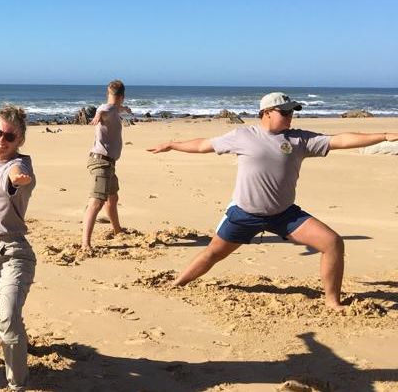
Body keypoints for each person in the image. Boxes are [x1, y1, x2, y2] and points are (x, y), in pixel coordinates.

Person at [147, 91, 398, 310]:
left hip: (284, 214)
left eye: (292, 112)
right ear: (266, 112)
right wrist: (172, 144)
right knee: (213, 253)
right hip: (244, 213)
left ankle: (332, 301)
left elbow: (340, 139)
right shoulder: (243, 136)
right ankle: (177, 283)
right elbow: (203, 145)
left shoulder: (300, 140)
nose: (290, 117)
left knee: (332, 242)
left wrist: (384, 135)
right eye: (285, 112)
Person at [0, 104, 36, 392]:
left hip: (14, 253)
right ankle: (4, 333)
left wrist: (18, 181)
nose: (1, 141)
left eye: (9, 137)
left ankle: (17, 384)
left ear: (20, 140)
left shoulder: (18, 166)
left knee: (10, 318)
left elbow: (17, 175)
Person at [81, 79, 133, 251]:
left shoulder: (115, 109)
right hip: (101, 162)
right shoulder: (108, 109)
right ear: (123, 96)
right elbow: (104, 109)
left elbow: (113, 108)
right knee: (96, 201)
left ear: (109, 94)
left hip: (108, 163)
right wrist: (97, 115)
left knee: (113, 197)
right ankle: (85, 243)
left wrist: (124, 109)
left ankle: (117, 230)